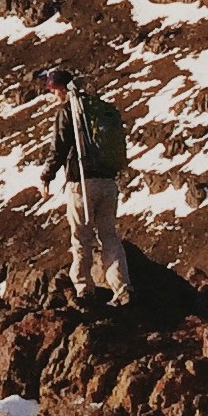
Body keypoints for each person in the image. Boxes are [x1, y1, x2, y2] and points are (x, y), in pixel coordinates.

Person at [38, 66, 131, 304]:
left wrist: (46, 176)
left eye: (53, 91)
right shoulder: (96, 109)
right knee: (109, 235)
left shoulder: (69, 111)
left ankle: (83, 289)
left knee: (81, 237)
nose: (53, 96)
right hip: (108, 181)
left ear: (59, 89)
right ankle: (122, 288)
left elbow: (58, 147)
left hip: (82, 182)